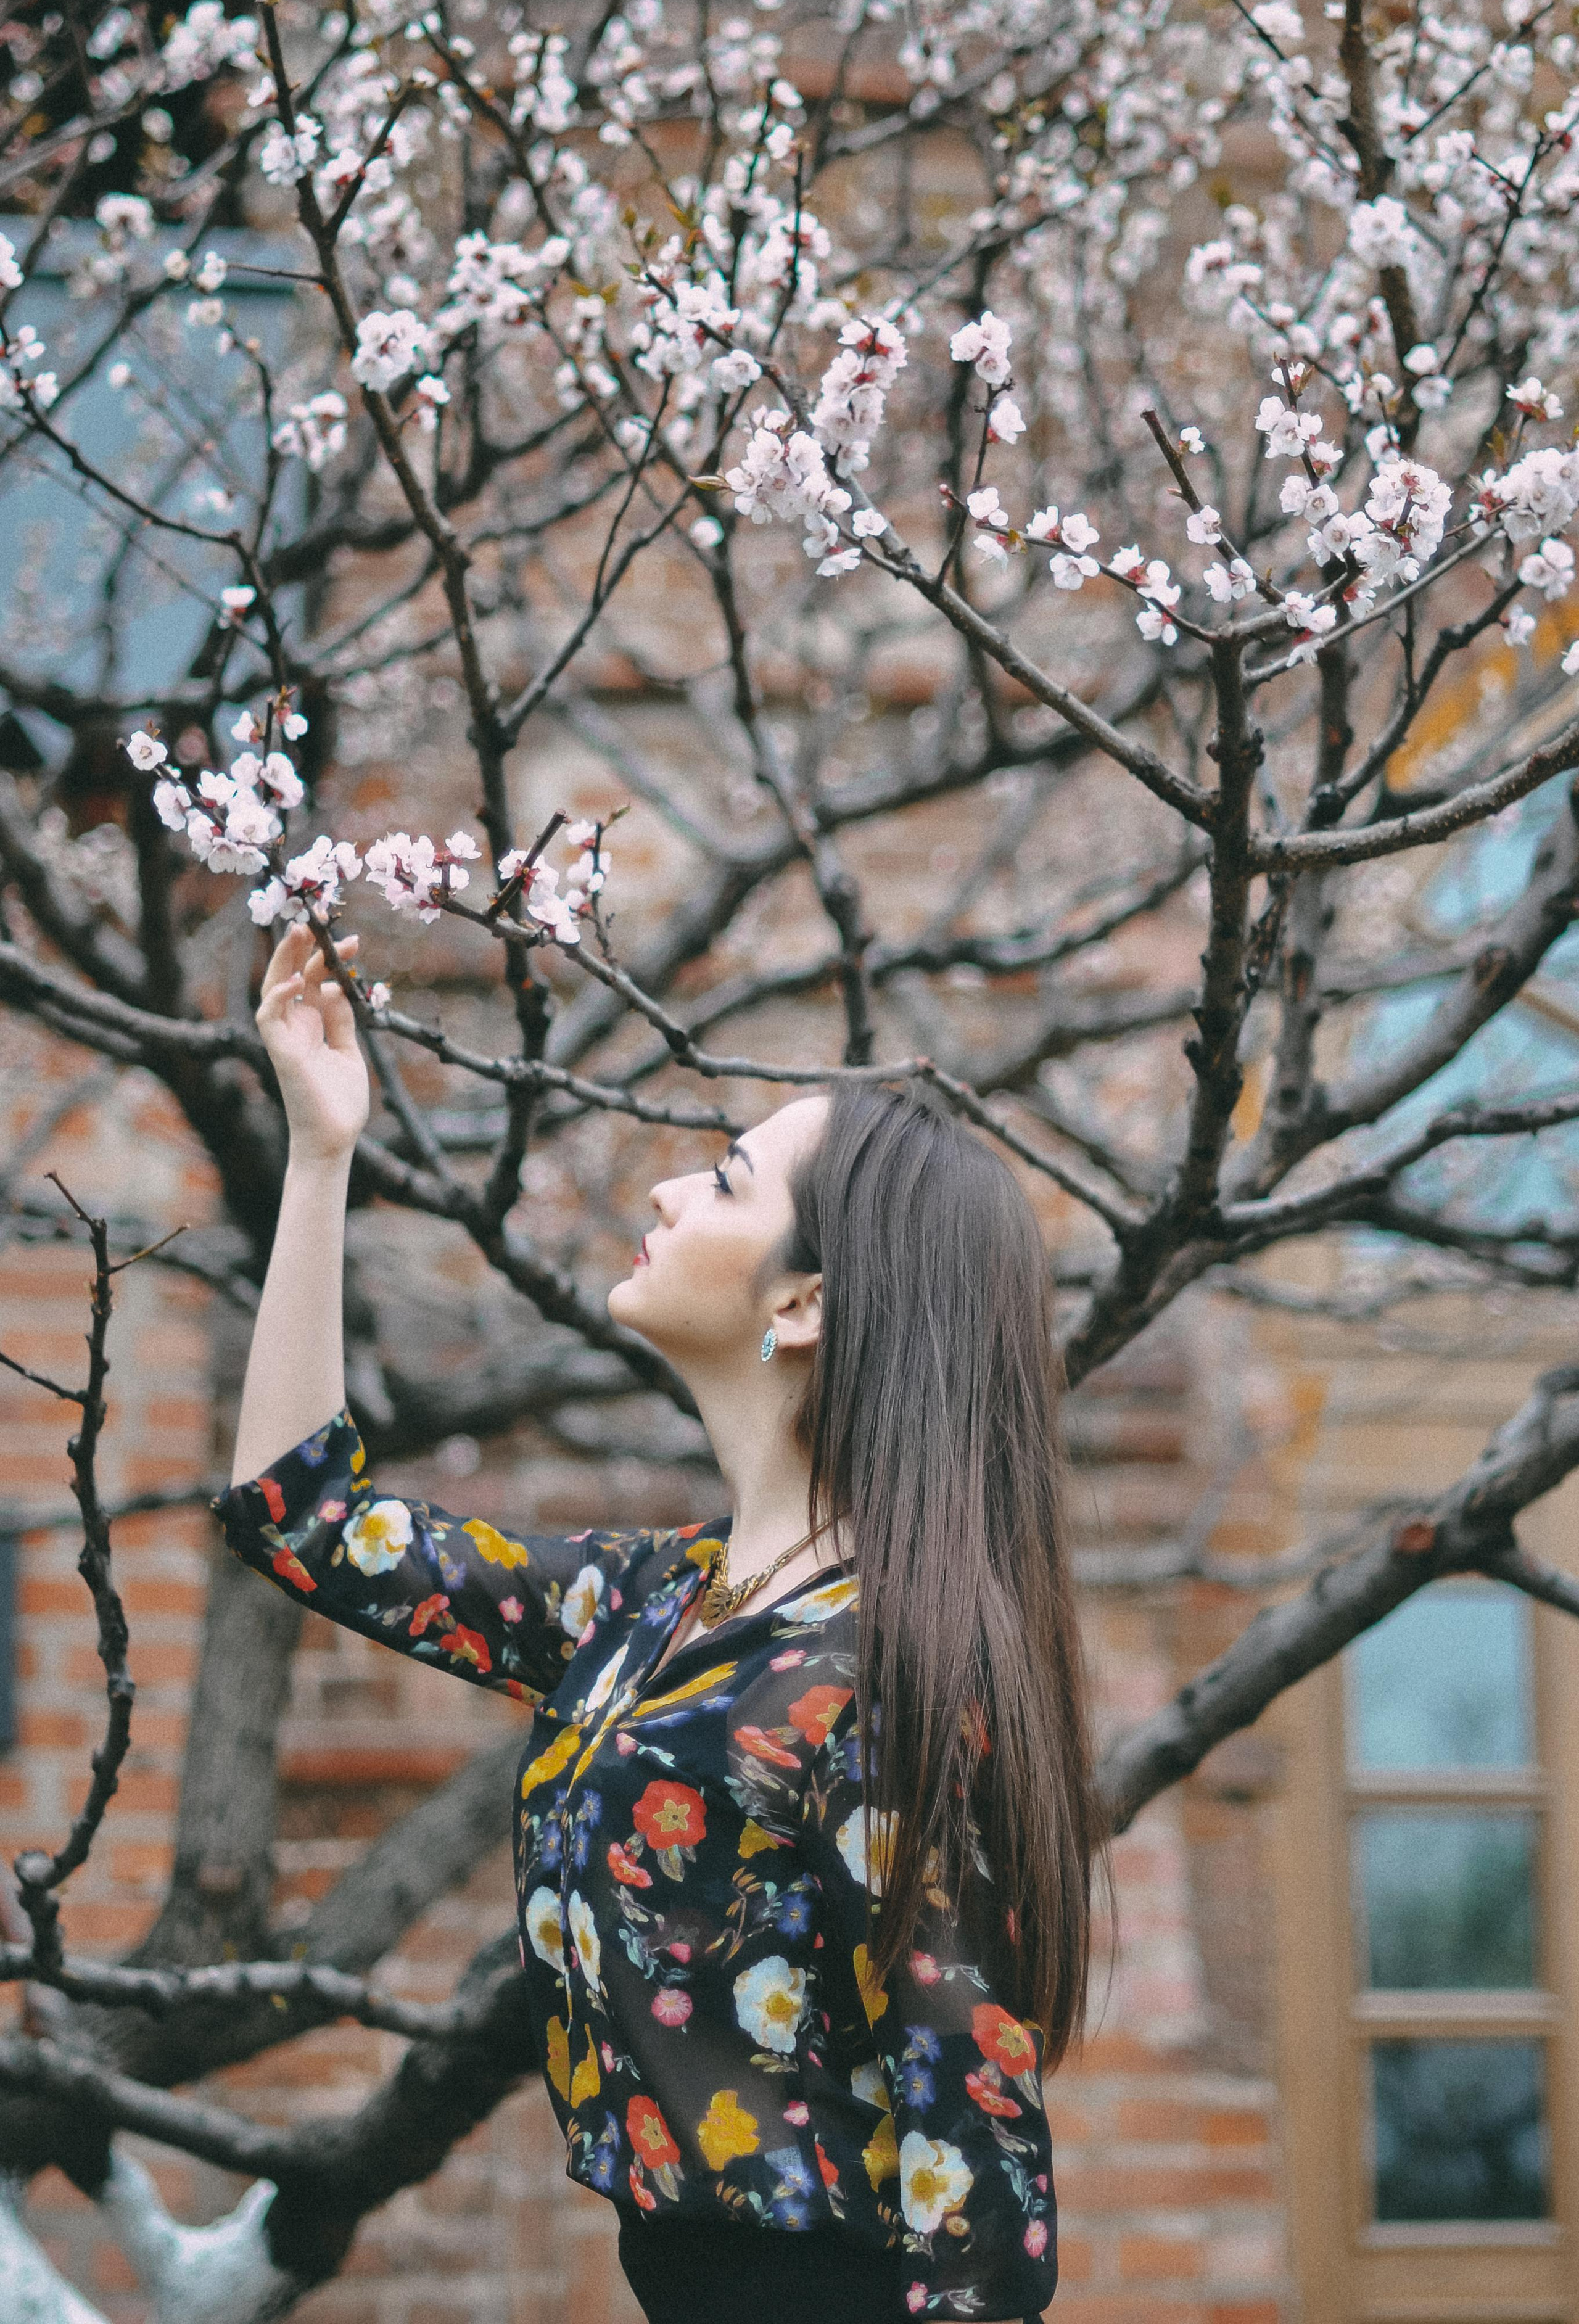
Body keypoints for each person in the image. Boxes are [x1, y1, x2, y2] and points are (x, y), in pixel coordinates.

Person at [216, 921, 1102, 2324]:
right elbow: (303, 1518)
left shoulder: (877, 1675)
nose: (671, 1184)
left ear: (802, 1299)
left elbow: (982, 2196)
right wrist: (322, 1154)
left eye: (729, 1176)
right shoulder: (644, 1604)